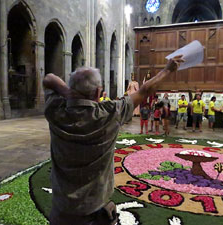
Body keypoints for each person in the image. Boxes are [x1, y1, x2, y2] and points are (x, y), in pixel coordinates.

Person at [43, 56, 183, 225]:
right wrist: (167, 70)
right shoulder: (110, 114)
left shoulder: (54, 111)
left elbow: (49, 78)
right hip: (95, 209)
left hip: (62, 209)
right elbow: (145, 91)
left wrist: (69, 93)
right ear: (97, 93)